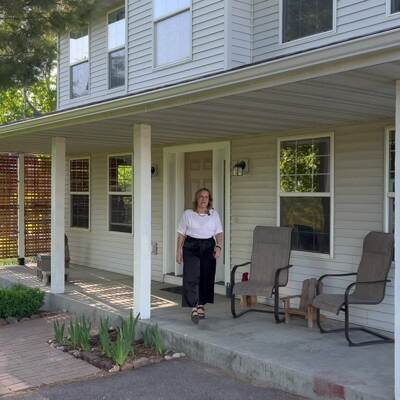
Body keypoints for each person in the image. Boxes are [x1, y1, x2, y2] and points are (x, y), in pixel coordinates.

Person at [176, 188, 224, 324]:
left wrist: (219, 246)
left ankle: (201, 304)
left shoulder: (214, 214)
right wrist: (178, 251)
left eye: (206, 197)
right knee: (191, 276)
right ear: (196, 199)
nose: (204, 199)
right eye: (201, 197)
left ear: (209, 200)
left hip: (208, 246)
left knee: (206, 276)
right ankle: (193, 307)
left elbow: (219, 233)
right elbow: (181, 234)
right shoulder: (188, 214)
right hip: (191, 246)